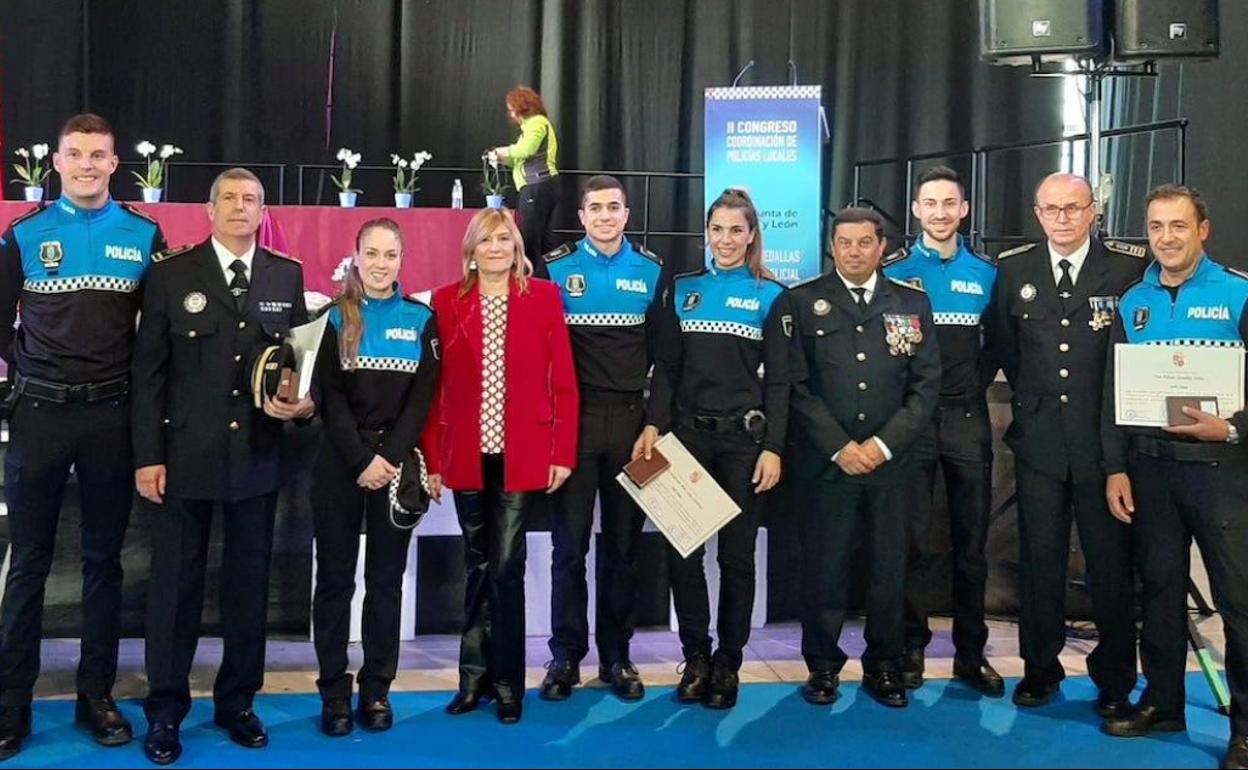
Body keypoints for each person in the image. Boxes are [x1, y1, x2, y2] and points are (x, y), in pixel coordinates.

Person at [131, 168, 314, 765]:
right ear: (209, 210)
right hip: (182, 460)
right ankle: (165, 712)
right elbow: (149, 375)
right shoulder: (169, 274)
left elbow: (292, 364)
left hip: (257, 459)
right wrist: (148, 456)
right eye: (229, 198)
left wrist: (299, 402)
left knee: (247, 589)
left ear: (263, 211)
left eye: (251, 200)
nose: (240, 207)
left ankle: (237, 704)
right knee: (174, 592)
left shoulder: (285, 275)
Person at [0, 113, 166, 760]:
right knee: (29, 566)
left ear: (114, 163)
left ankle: (96, 696)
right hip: (40, 415)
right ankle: (12, 704)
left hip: (112, 419)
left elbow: (155, 336)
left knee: (104, 564)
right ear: (58, 163)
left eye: (99, 154)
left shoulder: (145, 234)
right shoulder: (24, 232)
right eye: (77, 154)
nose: (88, 164)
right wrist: (29, 369)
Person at [1099, 185, 1248, 770]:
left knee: (1238, 602)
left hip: (1222, 473)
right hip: (1150, 472)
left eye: (1178, 226)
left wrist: (1232, 429)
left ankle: (1245, 730)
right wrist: (1116, 466)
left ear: (1203, 229)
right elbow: (1113, 393)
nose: (1166, 237)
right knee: (1159, 594)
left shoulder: (1239, 291)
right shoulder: (1133, 300)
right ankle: (1164, 705)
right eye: (1156, 226)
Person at [992, 172, 1145, 715]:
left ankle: (1115, 679)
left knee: (1110, 566)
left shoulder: (1129, 270)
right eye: (1051, 209)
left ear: (1093, 212)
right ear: (1038, 214)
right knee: (1040, 562)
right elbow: (1010, 354)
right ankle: (1040, 670)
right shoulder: (1013, 272)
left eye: (1073, 209)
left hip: (1105, 447)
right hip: (1039, 445)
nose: (1062, 219)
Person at [423, 207, 578, 725]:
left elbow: (564, 382)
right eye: (485, 240)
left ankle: (509, 682)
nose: (495, 248)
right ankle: (473, 679)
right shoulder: (446, 301)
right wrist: (433, 457)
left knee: (507, 568)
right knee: (477, 566)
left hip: (522, 453)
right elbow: (434, 388)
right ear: (471, 250)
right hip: (465, 452)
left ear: (517, 247)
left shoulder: (544, 298)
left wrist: (561, 452)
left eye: (504, 239)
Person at [635, 188, 788, 709]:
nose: (725, 240)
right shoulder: (682, 289)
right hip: (685, 440)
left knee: (738, 560)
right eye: (717, 229)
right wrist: (654, 426)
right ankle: (696, 657)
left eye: (736, 230)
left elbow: (782, 384)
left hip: (744, 444)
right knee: (685, 556)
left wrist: (775, 447)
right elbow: (667, 369)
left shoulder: (772, 295)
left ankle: (729, 663)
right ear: (707, 233)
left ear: (751, 236)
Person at [788, 207, 941, 710]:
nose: (853, 252)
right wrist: (840, 446)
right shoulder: (805, 302)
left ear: (882, 247)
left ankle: (884, 666)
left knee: (888, 570)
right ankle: (823, 667)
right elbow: (797, 386)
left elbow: (925, 387)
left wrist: (879, 447)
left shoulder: (912, 303)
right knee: (824, 568)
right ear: (832, 246)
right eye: (844, 243)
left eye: (863, 243)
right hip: (828, 465)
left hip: (891, 466)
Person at [311, 218, 440, 737]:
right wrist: (360, 459)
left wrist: (386, 456)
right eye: (372, 253)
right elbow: (328, 398)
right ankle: (334, 693)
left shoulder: (421, 320)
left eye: (390, 254)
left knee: (384, 583)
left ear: (401, 261)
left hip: (394, 465)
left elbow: (421, 400)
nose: (381, 263)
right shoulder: (331, 319)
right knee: (336, 582)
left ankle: (377, 690)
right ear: (356, 257)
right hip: (339, 465)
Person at [540, 175, 667, 703]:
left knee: (622, 549)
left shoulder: (653, 270)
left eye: (614, 207)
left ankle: (617, 654)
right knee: (568, 549)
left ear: (627, 213)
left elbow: (667, 361)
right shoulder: (556, 268)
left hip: (633, 429)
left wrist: (654, 424)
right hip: (574, 425)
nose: (606, 216)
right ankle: (565, 656)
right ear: (583, 215)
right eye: (596, 209)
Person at [882, 166, 1003, 696]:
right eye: (929, 203)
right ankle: (910, 647)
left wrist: (969, 392)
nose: (939, 212)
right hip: (911, 422)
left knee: (971, 545)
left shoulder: (987, 274)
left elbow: (999, 345)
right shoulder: (892, 272)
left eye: (948, 203)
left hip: (966, 419)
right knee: (910, 541)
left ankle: (970, 655)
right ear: (916, 210)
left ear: (964, 210)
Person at [491, 86, 560, 271]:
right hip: (537, 185)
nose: (510, 113)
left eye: (511, 107)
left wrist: (501, 151)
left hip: (537, 185)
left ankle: (533, 282)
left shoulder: (536, 123)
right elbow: (521, 160)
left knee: (529, 240)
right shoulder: (531, 127)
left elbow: (525, 150)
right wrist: (502, 159)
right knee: (543, 241)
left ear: (520, 106)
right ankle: (548, 280)